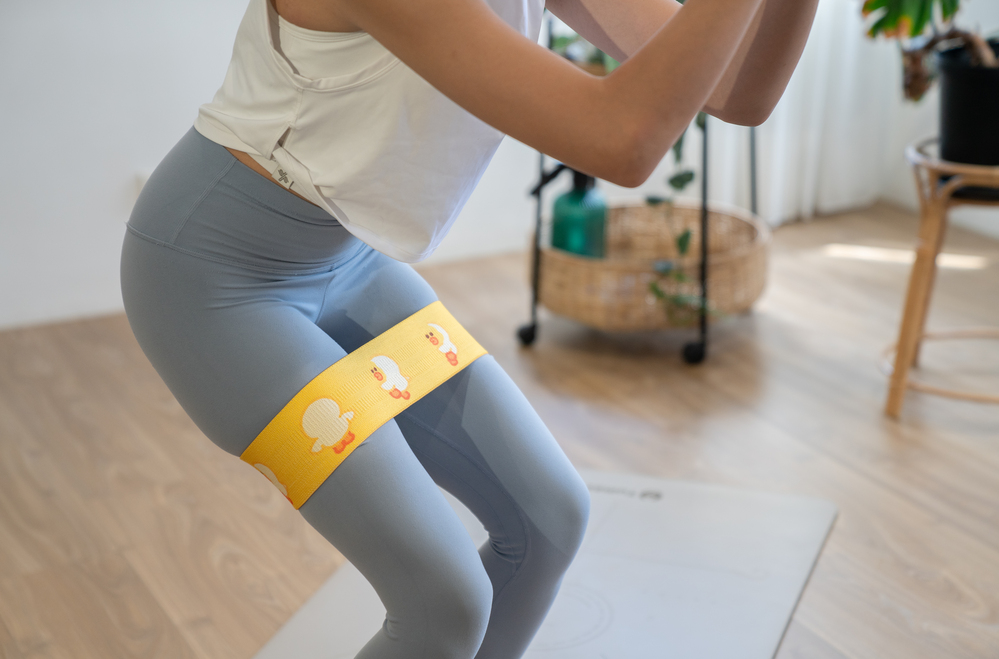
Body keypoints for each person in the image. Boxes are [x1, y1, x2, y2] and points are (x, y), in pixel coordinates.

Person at [120, 0, 817, 656]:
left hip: (351, 258)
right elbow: (621, 140)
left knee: (549, 519)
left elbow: (738, 91)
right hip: (215, 279)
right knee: (442, 599)